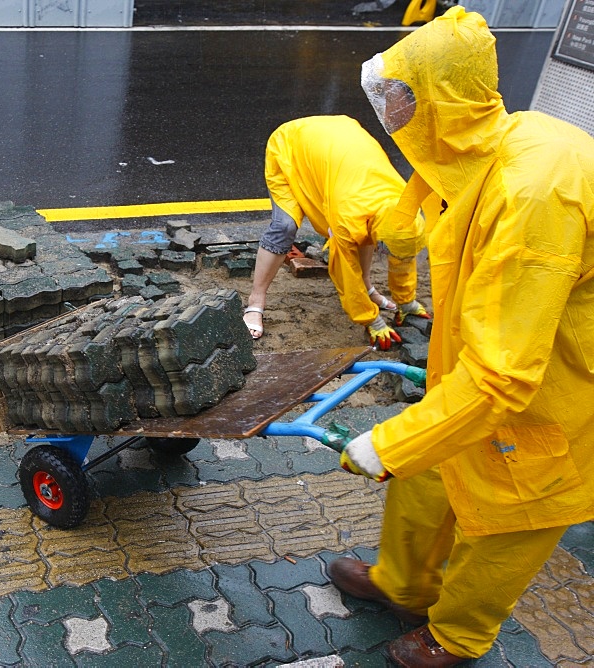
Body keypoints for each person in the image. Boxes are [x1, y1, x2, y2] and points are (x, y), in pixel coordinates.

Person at [333, 7, 594, 666]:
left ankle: (456, 636)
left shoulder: (535, 194)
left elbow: (506, 376)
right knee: (427, 478)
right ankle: (402, 585)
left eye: (400, 98)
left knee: (508, 521)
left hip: (552, 390)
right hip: (491, 363)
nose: (391, 113)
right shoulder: (485, 146)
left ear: (442, 101)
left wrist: (386, 441)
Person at [243, 115, 431, 350]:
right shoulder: (349, 214)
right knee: (285, 226)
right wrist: (371, 319)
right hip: (292, 146)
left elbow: (401, 254)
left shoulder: (402, 211)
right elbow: (344, 269)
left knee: (365, 234)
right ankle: (255, 301)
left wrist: (407, 302)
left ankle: (368, 287)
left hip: (338, 143)